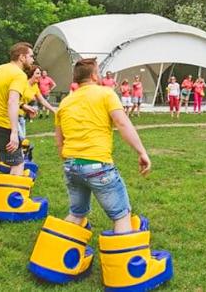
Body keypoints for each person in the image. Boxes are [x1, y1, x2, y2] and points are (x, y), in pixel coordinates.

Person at [54, 57, 151, 234]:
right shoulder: (106, 94)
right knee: (121, 215)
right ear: (93, 75)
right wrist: (141, 152)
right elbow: (123, 123)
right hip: (98, 166)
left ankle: (54, 255)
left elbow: (59, 141)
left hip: (71, 166)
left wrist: (71, 161)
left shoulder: (65, 102)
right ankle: (123, 260)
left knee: (76, 214)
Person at [0, 42, 36, 175]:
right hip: (1, 124)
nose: (33, 60)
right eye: (31, 56)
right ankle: (12, 194)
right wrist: (14, 132)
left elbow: (0, 96)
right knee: (17, 162)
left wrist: (24, 107)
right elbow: (12, 101)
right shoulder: (19, 75)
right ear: (22, 57)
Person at [19, 65, 57, 139]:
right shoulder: (23, 84)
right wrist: (26, 107)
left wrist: (54, 110)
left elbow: (42, 100)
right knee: (20, 141)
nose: (40, 75)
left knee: (22, 142)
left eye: (40, 73)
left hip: (21, 117)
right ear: (31, 74)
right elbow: (13, 100)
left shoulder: (35, 85)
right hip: (12, 117)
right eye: (37, 73)